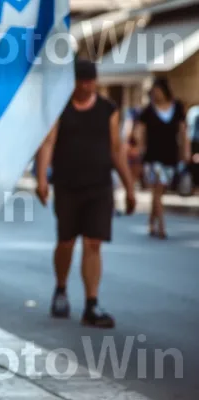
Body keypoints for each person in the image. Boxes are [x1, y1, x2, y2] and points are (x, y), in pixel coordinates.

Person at [36, 59, 136, 329]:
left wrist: (129, 187)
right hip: (67, 185)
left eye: (90, 81)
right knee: (66, 241)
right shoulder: (61, 107)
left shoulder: (107, 110)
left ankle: (91, 303)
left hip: (99, 186)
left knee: (93, 243)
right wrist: (41, 178)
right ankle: (60, 289)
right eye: (81, 81)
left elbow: (117, 150)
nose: (85, 86)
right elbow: (48, 143)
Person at [135, 78, 190, 239]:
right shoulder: (148, 111)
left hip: (170, 155)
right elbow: (140, 132)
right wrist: (140, 149)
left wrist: (184, 152)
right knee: (157, 190)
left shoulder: (177, 108)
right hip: (153, 156)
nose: (156, 94)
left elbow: (183, 132)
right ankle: (161, 226)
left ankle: (151, 222)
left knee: (159, 191)